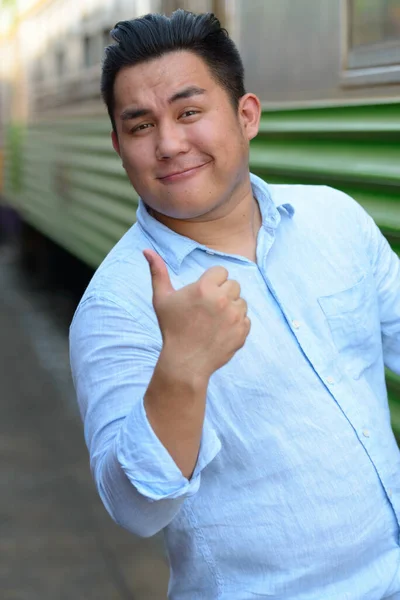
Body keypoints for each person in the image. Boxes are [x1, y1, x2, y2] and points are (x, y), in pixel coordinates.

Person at [69, 9, 400, 600]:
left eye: (189, 112)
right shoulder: (116, 305)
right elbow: (134, 507)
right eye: (141, 126)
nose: (169, 143)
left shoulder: (335, 218)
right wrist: (182, 372)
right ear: (119, 145)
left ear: (246, 116)